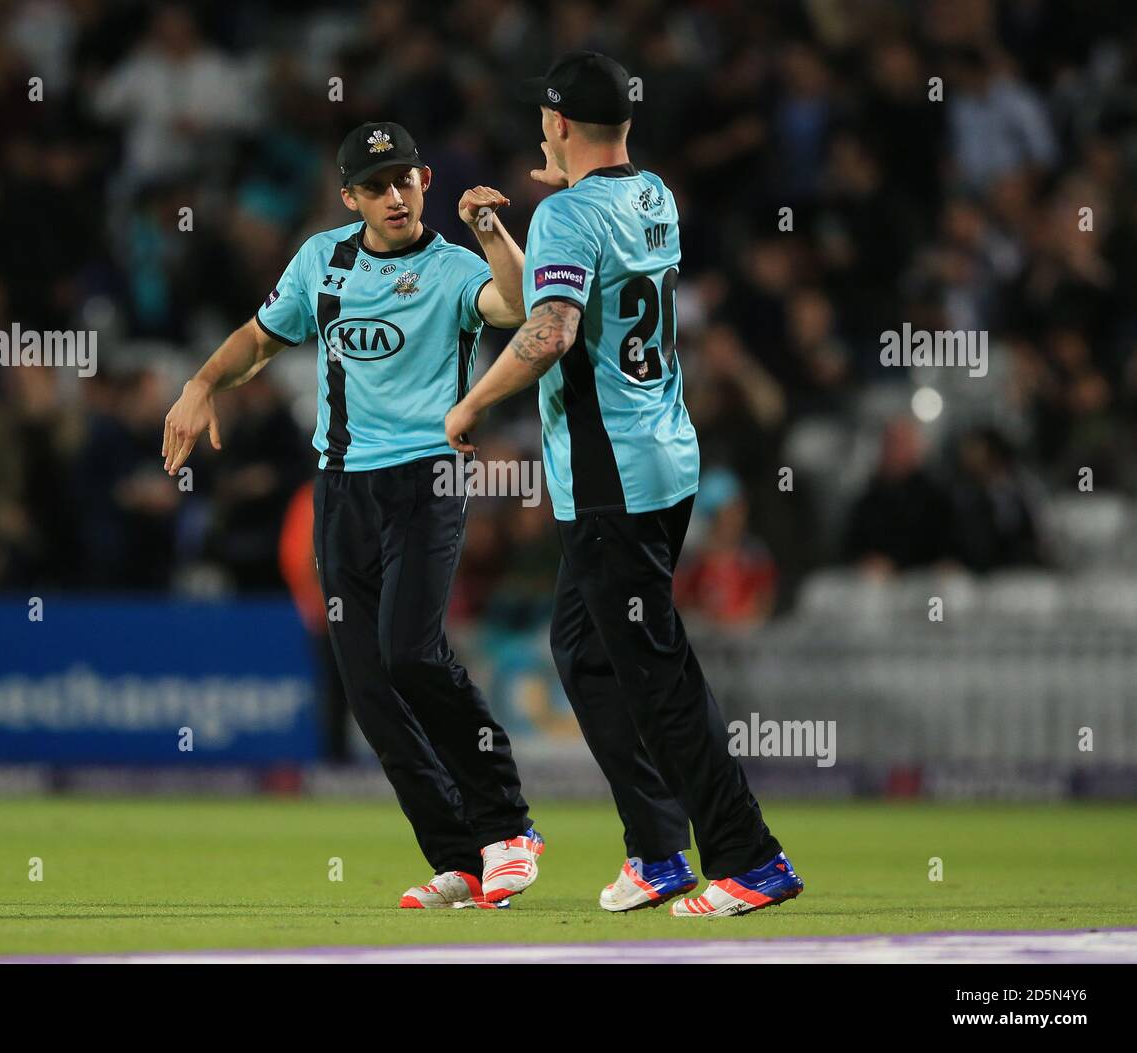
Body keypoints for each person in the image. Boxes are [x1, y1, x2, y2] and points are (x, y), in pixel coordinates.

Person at [445, 54, 803, 917]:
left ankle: (749, 857)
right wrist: (501, 236)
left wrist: (473, 405)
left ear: (560, 126)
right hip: (665, 461)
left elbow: (554, 327)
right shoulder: (654, 196)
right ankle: (656, 849)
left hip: (614, 479)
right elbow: (568, 294)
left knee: (655, 671)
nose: (539, 128)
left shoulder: (571, 211)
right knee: (584, 649)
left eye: (545, 117)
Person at [164, 121, 543, 909]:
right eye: (376, 186)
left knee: (409, 651)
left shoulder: (451, 267)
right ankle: (462, 859)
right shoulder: (321, 261)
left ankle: (509, 826)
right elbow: (262, 338)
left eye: (405, 179)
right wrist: (202, 383)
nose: (394, 195)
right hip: (341, 489)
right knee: (368, 686)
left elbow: (517, 304)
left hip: (428, 477)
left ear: (426, 181)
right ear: (350, 197)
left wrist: (490, 226)